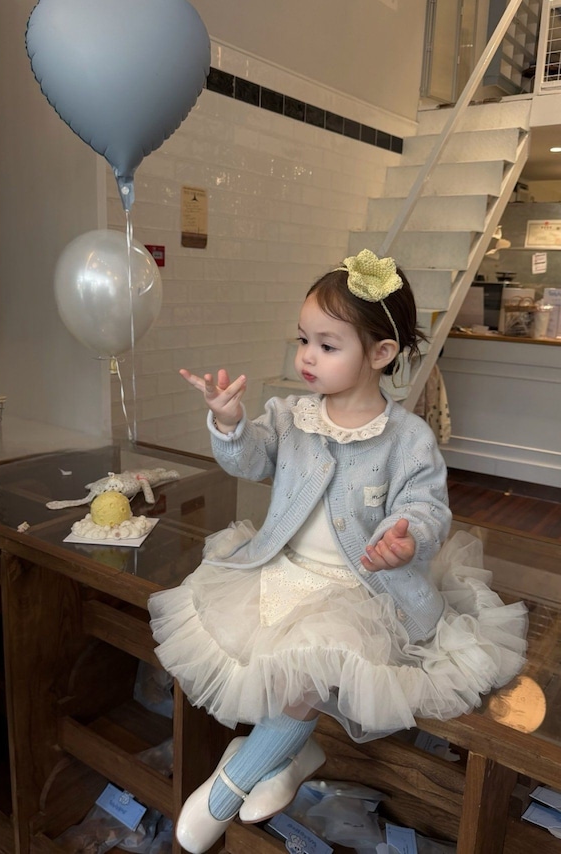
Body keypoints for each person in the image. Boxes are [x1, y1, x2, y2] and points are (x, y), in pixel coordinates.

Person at [148, 249, 528, 854]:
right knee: (282, 669)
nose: (307, 356)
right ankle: (289, 755)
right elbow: (251, 461)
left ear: (380, 353)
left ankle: (227, 787)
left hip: (362, 591)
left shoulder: (408, 438)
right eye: (304, 340)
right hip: (283, 569)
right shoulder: (290, 416)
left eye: (327, 345)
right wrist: (229, 423)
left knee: (312, 667)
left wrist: (407, 540)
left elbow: (428, 507)